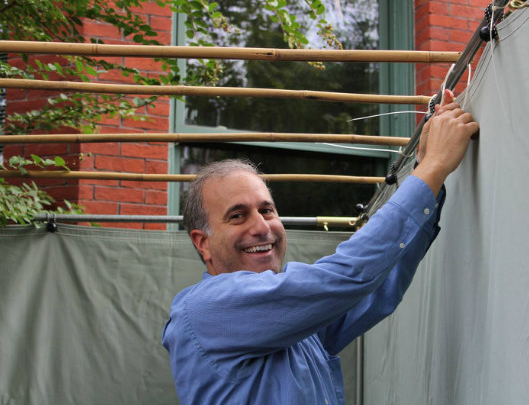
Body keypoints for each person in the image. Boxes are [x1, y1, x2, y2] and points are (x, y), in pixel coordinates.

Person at [162, 90, 479, 405]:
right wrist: (433, 166)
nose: (261, 227)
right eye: (237, 216)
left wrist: (427, 172)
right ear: (202, 243)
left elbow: (375, 287)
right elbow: (346, 276)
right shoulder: (207, 309)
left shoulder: (294, 321)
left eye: (267, 210)